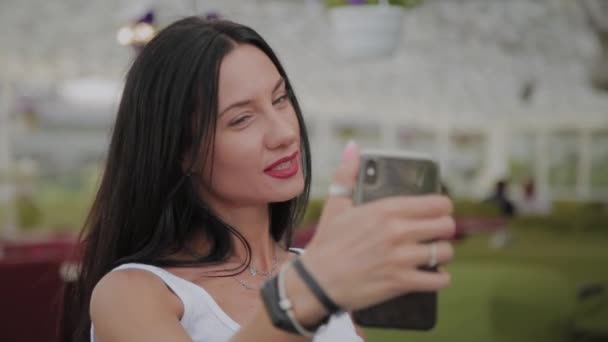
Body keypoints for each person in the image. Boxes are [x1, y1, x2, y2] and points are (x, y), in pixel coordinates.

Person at [62, 17, 455, 342]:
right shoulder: (132, 294)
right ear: (181, 152)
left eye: (280, 99)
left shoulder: (321, 273)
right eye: (242, 119)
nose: (284, 132)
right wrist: (309, 292)